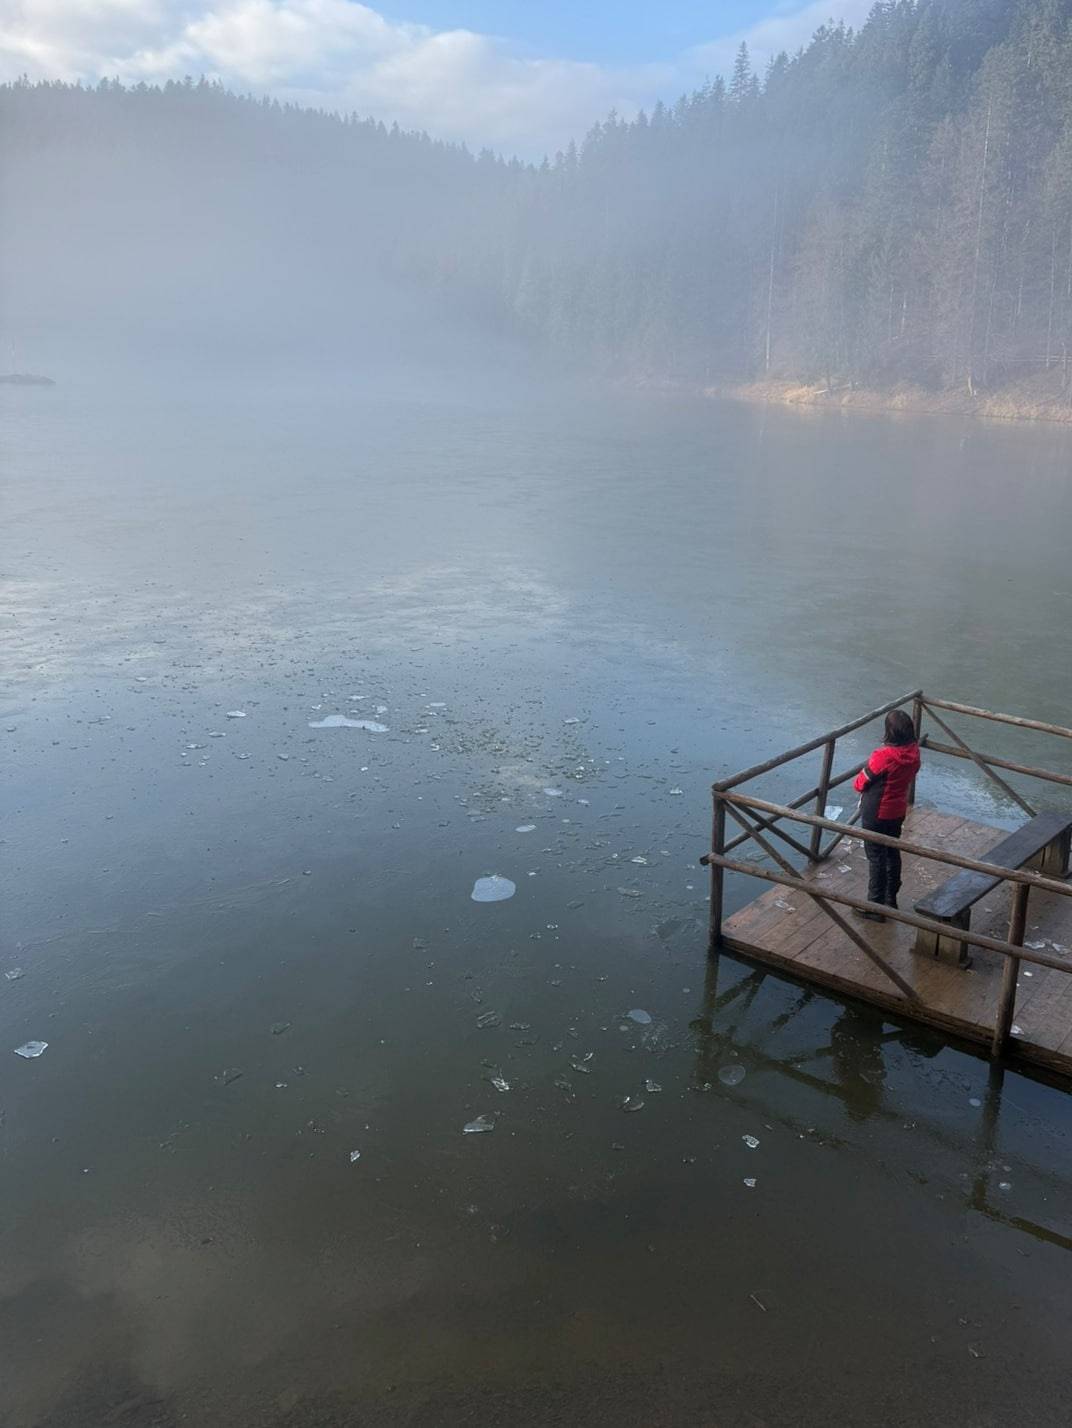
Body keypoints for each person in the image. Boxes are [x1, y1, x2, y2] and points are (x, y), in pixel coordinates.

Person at [852, 709, 920, 921]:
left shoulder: (883, 756)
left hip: (876, 812)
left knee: (876, 857)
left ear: (889, 732)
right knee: (891, 852)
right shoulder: (914, 752)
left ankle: (875, 906)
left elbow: (860, 783)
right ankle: (891, 899)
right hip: (897, 810)